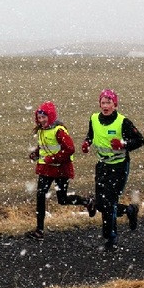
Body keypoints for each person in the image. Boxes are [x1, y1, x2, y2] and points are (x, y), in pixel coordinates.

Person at [81, 89, 144, 252]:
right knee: (102, 204)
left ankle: (111, 239)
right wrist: (86, 143)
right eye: (103, 102)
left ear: (115, 104)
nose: (105, 106)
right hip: (102, 165)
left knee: (109, 203)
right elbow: (91, 134)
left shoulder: (123, 122)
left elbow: (140, 140)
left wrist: (123, 144)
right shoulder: (94, 119)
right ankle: (130, 210)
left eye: (109, 102)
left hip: (119, 165)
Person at [26, 101, 92, 240]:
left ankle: (87, 202)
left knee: (62, 199)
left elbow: (70, 149)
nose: (41, 120)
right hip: (46, 168)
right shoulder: (41, 130)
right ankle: (39, 231)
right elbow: (45, 145)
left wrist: (54, 159)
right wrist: (37, 153)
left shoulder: (59, 130)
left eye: (44, 117)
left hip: (61, 168)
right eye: (39, 117)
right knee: (40, 196)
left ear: (51, 117)